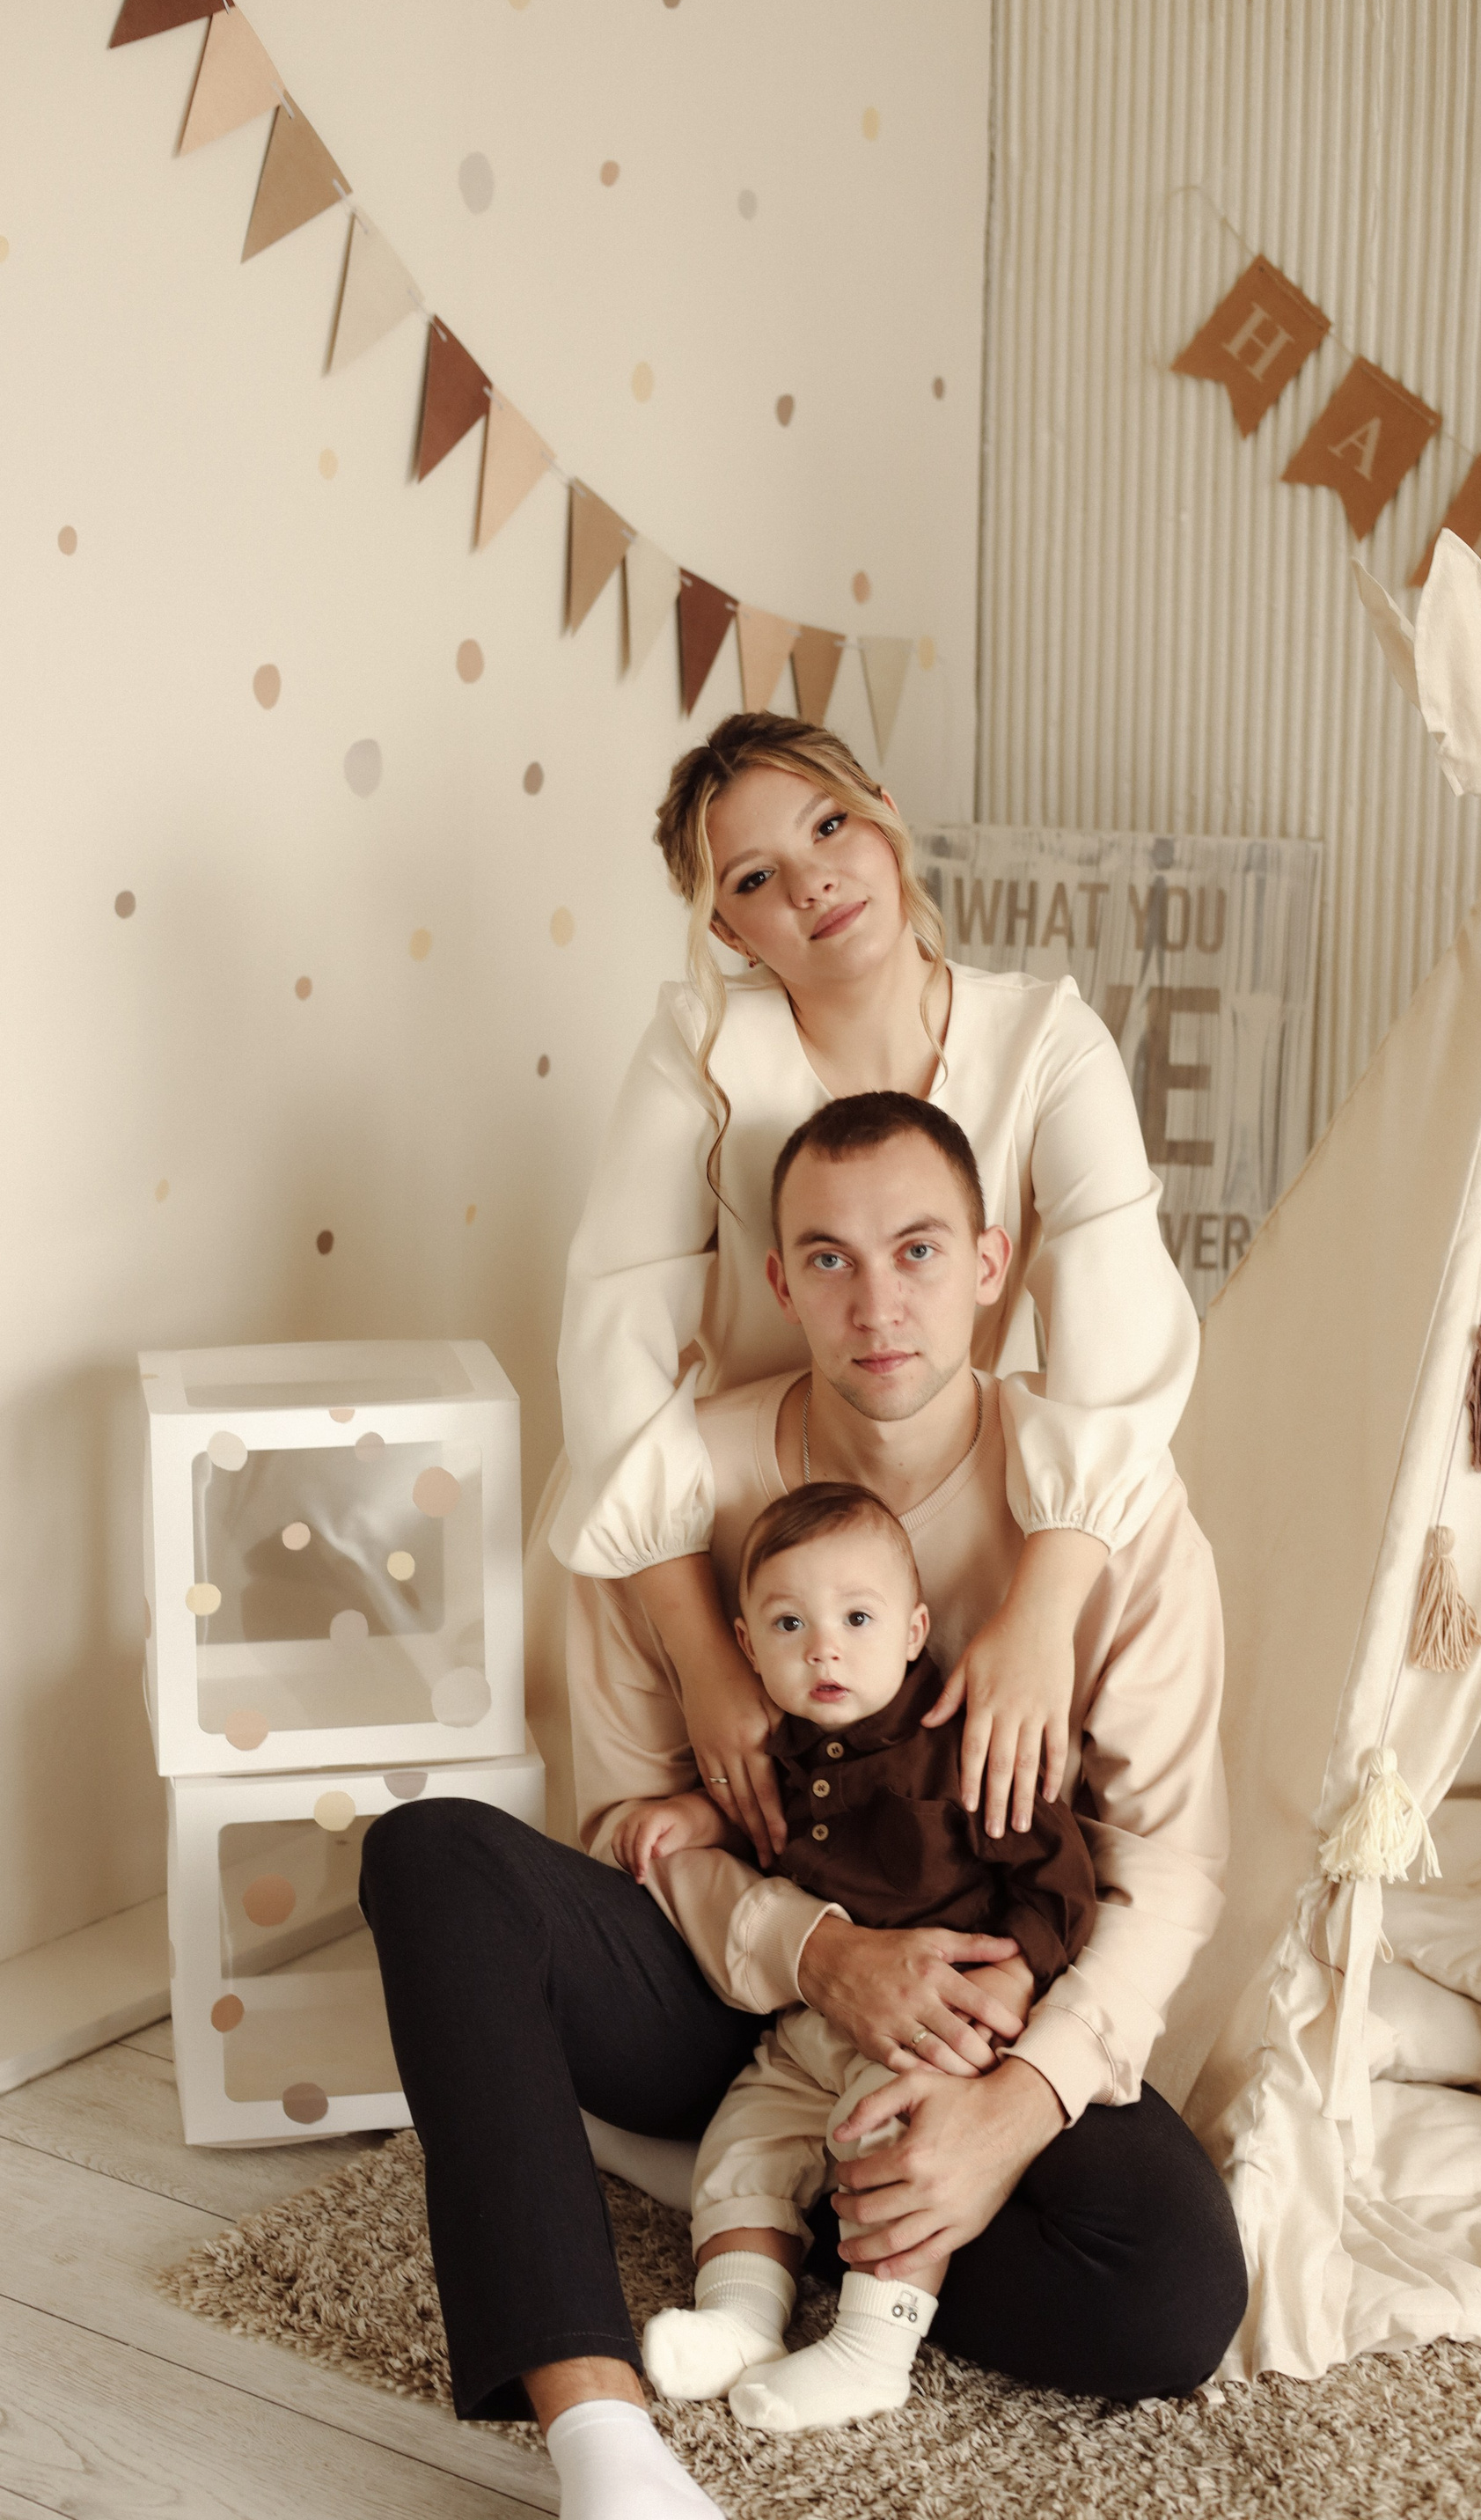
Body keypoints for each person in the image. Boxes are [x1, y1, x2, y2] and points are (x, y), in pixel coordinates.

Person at [359, 1092, 1243, 2520]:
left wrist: (1012, 2108)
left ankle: (801, 2212)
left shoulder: (1108, 1511)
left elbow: (1170, 1865)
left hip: (975, 2012)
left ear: (992, 1265)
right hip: (725, 1997)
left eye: (918, 1251)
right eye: (830, 1259)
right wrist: (820, 1953)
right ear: (780, 1281)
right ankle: (604, 2443)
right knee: (431, 1856)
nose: (876, 1303)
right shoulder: (673, 1486)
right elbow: (629, 1827)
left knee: (1173, 2296)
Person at [525, 710, 1199, 1858]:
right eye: (756, 878)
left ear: (885, 814)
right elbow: (612, 1330)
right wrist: (705, 1657)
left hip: (945, 1476)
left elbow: (1119, 1322)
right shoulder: (699, 1051)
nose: (813, 883)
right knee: (688, 1856)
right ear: (728, 928)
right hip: (734, 1511)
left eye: (830, 826)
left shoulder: (1048, 1040)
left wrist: (1041, 1615)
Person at [622, 1480, 1097, 2434]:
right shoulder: (783, 1753)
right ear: (747, 1646)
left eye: (857, 1619)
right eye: (789, 1624)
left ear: (915, 1631)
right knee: (746, 2143)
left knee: (897, 2156)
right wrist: (693, 1816)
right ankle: (741, 2317)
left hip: (934, 2032)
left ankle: (872, 2353)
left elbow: (1059, 1878)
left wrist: (1015, 1976)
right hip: (809, 2027)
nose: (824, 1649)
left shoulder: (960, 1744)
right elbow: (757, 1819)